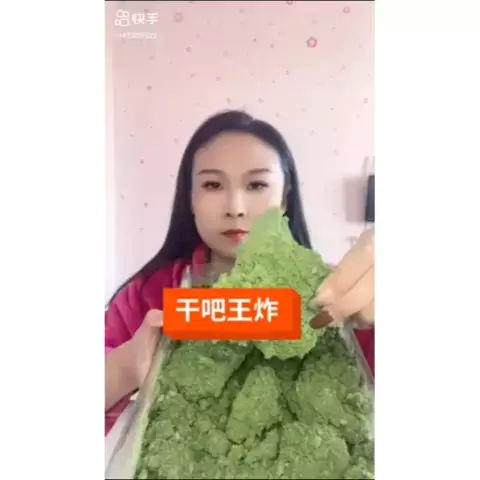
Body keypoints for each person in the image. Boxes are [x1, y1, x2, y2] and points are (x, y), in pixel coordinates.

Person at [105, 110, 374, 435]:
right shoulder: (145, 297)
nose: (235, 208)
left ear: (285, 198)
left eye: (257, 184)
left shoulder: (339, 293)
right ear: (190, 199)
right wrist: (126, 367)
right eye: (213, 184)